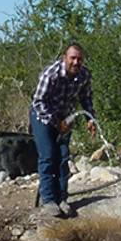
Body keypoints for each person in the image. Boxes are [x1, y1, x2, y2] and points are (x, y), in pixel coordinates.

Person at [30, 42, 98, 217]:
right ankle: (48, 200)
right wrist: (56, 121)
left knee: (63, 157)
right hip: (43, 116)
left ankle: (62, 199)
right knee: (48, 155)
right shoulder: (51, 74)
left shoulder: (84, 75)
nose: (76, 62)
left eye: (79, 59)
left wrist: (90, 118)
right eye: (72, 58)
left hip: (65, 118)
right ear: (64, 58)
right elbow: (38, 102)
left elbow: (86, 97)